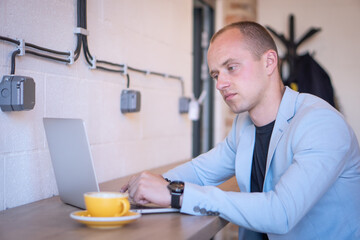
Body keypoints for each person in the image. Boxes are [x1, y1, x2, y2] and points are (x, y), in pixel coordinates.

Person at [121, 21, 360, 239]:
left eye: (231, 68)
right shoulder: (244, 125)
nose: (220, 84)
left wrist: (176, 193)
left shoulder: (321, 123)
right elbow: (202, 171)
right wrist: (150, 184)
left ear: (269, 62)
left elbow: (281, 213)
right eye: (216, 74)